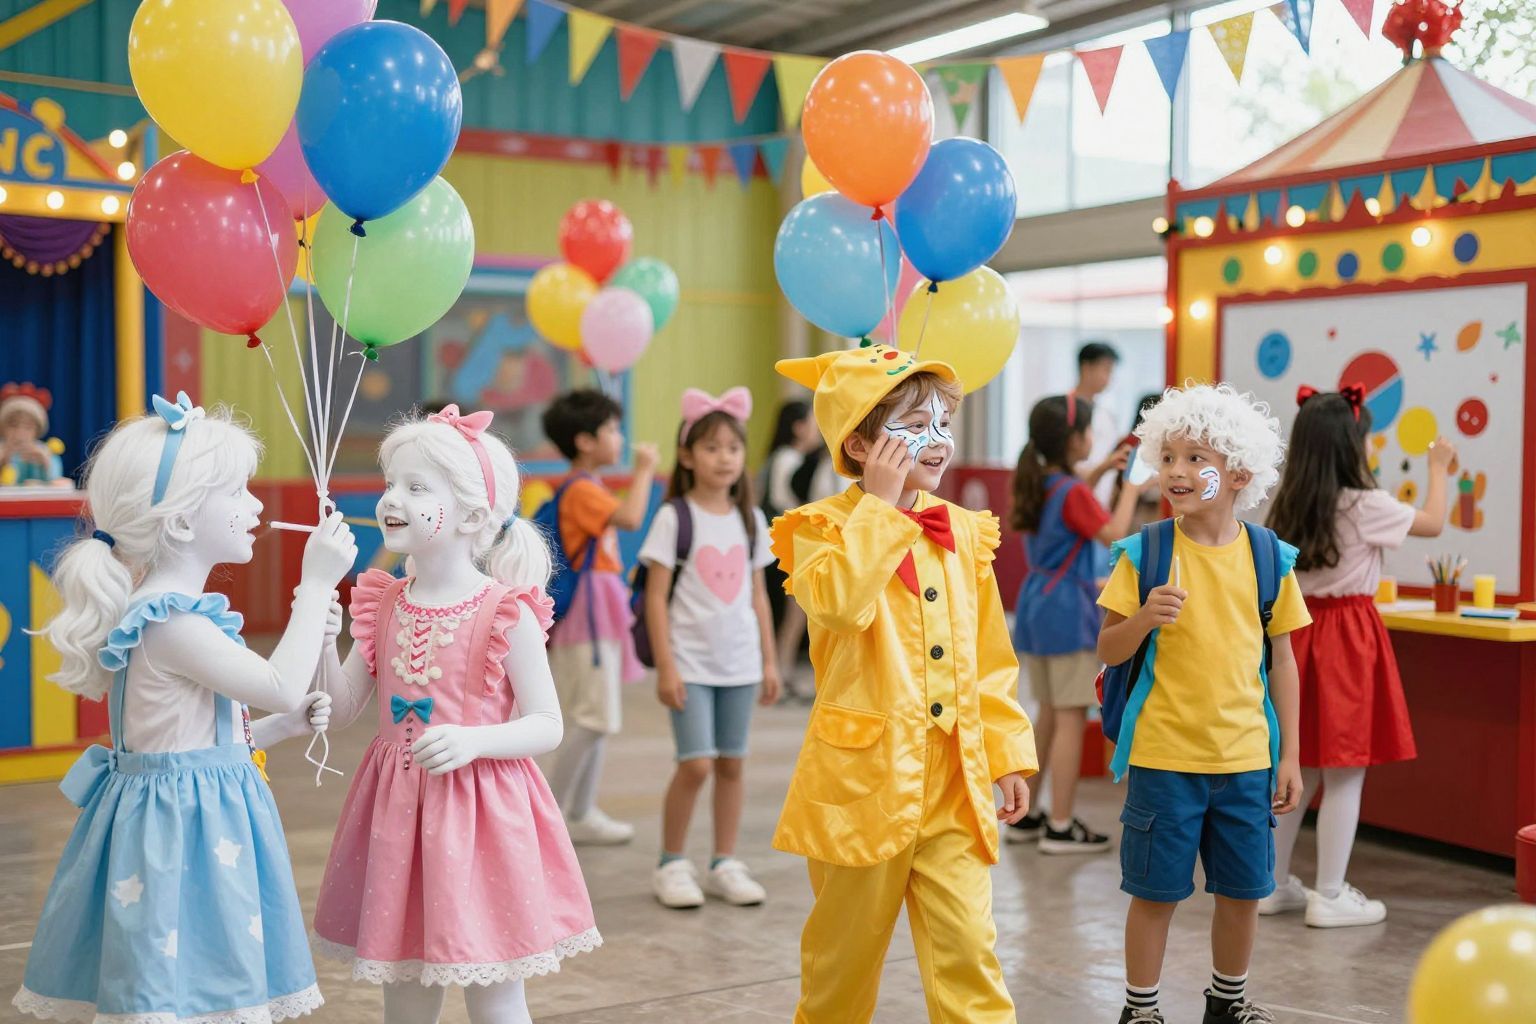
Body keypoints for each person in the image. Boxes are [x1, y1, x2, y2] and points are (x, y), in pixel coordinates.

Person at [13, 394, 353, 1023]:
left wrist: (285, 724)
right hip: (184, 834)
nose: (255, 506)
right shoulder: (170, 622)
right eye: (238, 492)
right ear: (184, 521)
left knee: (192, 982)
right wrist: (315, 585)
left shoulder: (171, 615)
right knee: (178, 987)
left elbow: (204, 736)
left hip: (194, 818)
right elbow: (278, 681)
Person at [770, 344, 1037, 1024]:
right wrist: (881, 510)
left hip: (952, 780)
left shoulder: (966, 534)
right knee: (841, 963)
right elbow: (837, 604)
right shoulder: (818, 531)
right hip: (862, 787)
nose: (938, 439)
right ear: (859, 444)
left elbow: (989, 657)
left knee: (971, 953)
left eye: (943, 422)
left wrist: (1005, 753)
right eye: (915, 424)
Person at [311, 406, 599, 1024]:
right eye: (392, 483)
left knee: (494, 991)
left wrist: (474, 741)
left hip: (482, 818)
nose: (393, 498)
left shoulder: (505, 611)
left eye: (416, 488)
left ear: (472, 514)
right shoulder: (382, 603)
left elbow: (547, 724)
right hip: (397, 819)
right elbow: (342, 710)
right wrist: (318, 638)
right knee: (406, 991)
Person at [1096, 383, 1310, 1024]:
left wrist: (1291, 756)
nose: (1177, 472)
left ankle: (1229, 1001)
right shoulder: (1145, 554)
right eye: (1170, 457)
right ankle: (1141, 1008)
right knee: (1154, 893)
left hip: (1245, 760)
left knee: (1244, 892)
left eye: (1197, 460)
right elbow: (1107, 650)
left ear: (1238, 473)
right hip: (1163, 757)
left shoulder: (1270, 558)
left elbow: (1284, 661)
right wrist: (1142, 621)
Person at [1263, 386, 1454, 928]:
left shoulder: (1288, 501)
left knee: (1293, 767)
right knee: (1345, 772)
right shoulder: (1367, 504)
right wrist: (1438, 467)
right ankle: (1328, 893)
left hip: (1294, 637)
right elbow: (1435, 522)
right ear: (1353, 443)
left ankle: (1271, 885)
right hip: (1348, 637)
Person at [642, 388, 781, 910]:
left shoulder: (751, 519)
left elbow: (759, 597)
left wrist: (769, 660)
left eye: (732, 448)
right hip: (691, 664)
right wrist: (667, 667)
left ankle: (725, 861)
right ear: (686, 456)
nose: (724, 457)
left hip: (740, 663)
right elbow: (656, 598)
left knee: (731, 764)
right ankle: (671, 861)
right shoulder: (674, 518)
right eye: (711, 447)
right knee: (696, 763)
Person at [1007, 393, 1145, 852]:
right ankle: (1062, 825)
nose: (1092, 438)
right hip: (1067, 610)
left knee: (1047, 711)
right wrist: (1130, 486)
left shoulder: (1043, 480)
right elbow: (1114, 533)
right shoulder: (1073, 492)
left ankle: (1024, 818)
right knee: (1069, 718)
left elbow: (1077, 490)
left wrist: (1104, 468)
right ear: (1072, 440)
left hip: (1037, 605)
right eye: (1088, 432)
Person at [540, 389, 658, 844]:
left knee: (595, 717)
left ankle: (580, 811)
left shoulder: (584, 486)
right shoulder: (583, 489)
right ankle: (553, 814)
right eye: (611, 429)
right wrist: (645, 469)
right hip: (588, 615)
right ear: (585, 441)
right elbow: (629, 519)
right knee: (594, 718)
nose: (619, 437)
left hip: (597, 610)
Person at [762, 399, 823, 702]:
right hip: (789, 546)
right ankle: (779, 670)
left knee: (795, 614)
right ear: (798, 427)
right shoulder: (789, 459)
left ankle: (783, 670)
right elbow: (788, 503)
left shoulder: (784, 457)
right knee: (792, 614)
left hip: (791, 545)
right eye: (814, 423)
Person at [1072, 342, 1124, 506]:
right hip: (1075, 497)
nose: (1109, 378)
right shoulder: (1064, 410)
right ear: (1086, 368)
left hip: (1102, 500)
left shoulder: (1106, 415)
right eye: (1106, 370)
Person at [0, 382, 66, 486]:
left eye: (28, 427)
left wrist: (45, 462)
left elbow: (57, 481)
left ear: (37, 431)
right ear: (3, 428)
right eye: (13, 425)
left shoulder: (46, 452)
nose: (20, 432)